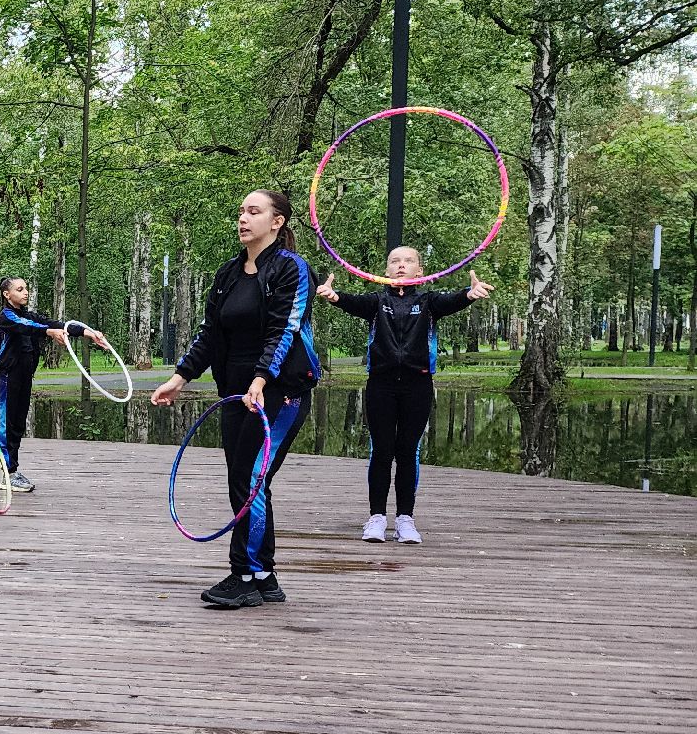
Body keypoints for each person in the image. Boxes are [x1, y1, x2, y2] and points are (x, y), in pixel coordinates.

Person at [151, 188, 321, 609]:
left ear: (276, 222)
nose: (243, 219)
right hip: (235, 393)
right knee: (244, 480)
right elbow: (210, 332)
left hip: (279, 393)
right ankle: (264, 575)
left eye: (254, 211)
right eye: (241, 211)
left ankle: (242, 575)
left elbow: (285, 329)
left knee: (251, 480)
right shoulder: (228, 273)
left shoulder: (292, 269)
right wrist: (181, 377)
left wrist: (263, 379)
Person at [317, 250, 492, 544]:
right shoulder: (377, 302)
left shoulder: (429, 302)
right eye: (394, 262)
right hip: (381, 385)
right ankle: (376, 518)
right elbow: (350, 302)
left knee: (408, 451)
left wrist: (469, 294)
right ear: (385, 269)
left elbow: (454, 300)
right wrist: (334, 297)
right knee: (381, 451)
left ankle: (405, 519)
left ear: (420, 270)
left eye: (408, 261)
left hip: (417, 385)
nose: (400, 266)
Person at [0, 277, 109, 493]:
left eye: (26, 288)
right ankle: (7, 473)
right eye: (20, 289)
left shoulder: (28, 314)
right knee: (6, 423)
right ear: (7, 294)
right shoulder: (6, 317)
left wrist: (89, 333)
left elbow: (55, 324)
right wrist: (48, 332)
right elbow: (29, 327)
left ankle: (13, 471)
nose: (25, 292)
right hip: (8, 377)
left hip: (25, 376)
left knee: (18, 423)